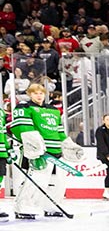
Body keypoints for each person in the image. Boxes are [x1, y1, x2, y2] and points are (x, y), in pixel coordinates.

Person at [9, 83, 81, 219]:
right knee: (36, 180)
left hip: (56, 152)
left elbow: (59, 131)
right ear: (30, 94)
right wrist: (33, 143)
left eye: (41, 93)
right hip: (38, 152)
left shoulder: (53, 110)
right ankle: (23, 207)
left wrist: (67, 144)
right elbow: (22, 127)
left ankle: (51, 206)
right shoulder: (24, 107)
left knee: (58, 181)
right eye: (35, 93)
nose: (39, 95)